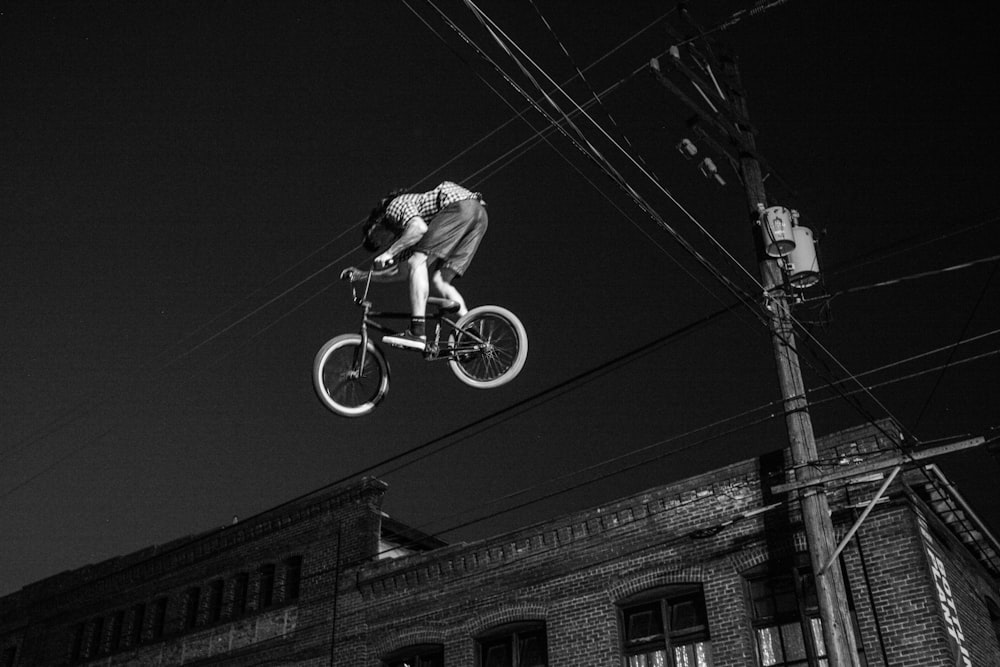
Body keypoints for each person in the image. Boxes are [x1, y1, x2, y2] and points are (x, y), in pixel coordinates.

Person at [344, 181, 488, 350]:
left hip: (460, 207)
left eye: (375, 237)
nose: (380, 242)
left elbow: (419, 228)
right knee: (440, 280)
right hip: (479, 216)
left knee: (417, 262)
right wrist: (363, 275)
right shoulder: (406, 236)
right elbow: (402, 272)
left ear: (378, 222)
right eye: (377, 244)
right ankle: (471, 333)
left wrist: (389, 253)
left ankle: (417, 332)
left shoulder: (394, 207)